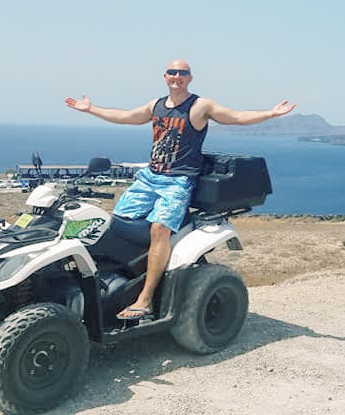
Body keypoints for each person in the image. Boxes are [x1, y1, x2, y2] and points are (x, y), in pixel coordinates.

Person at [65, 59, 295, 320]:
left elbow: (235, 118)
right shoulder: (157, 105)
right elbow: (127, 117)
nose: (177, 76)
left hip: (177, 181)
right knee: (117, 222)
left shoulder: (199, 106)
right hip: (150, 177)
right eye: (172, 72)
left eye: (182, 73)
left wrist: (270, 114)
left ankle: (146, 298)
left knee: (159, 229)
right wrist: (91, 109)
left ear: (190, 78)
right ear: (165, 76)